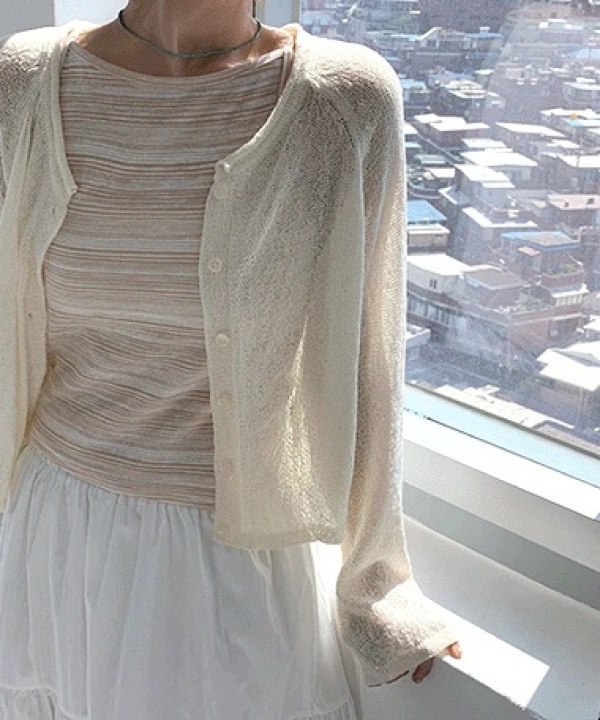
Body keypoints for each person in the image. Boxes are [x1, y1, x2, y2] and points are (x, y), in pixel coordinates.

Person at [0, 1, 462, 718]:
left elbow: (369, 362)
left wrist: (376, 584)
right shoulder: (23, 81)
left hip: (227, 572)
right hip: (50, 540)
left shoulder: (342, 99)